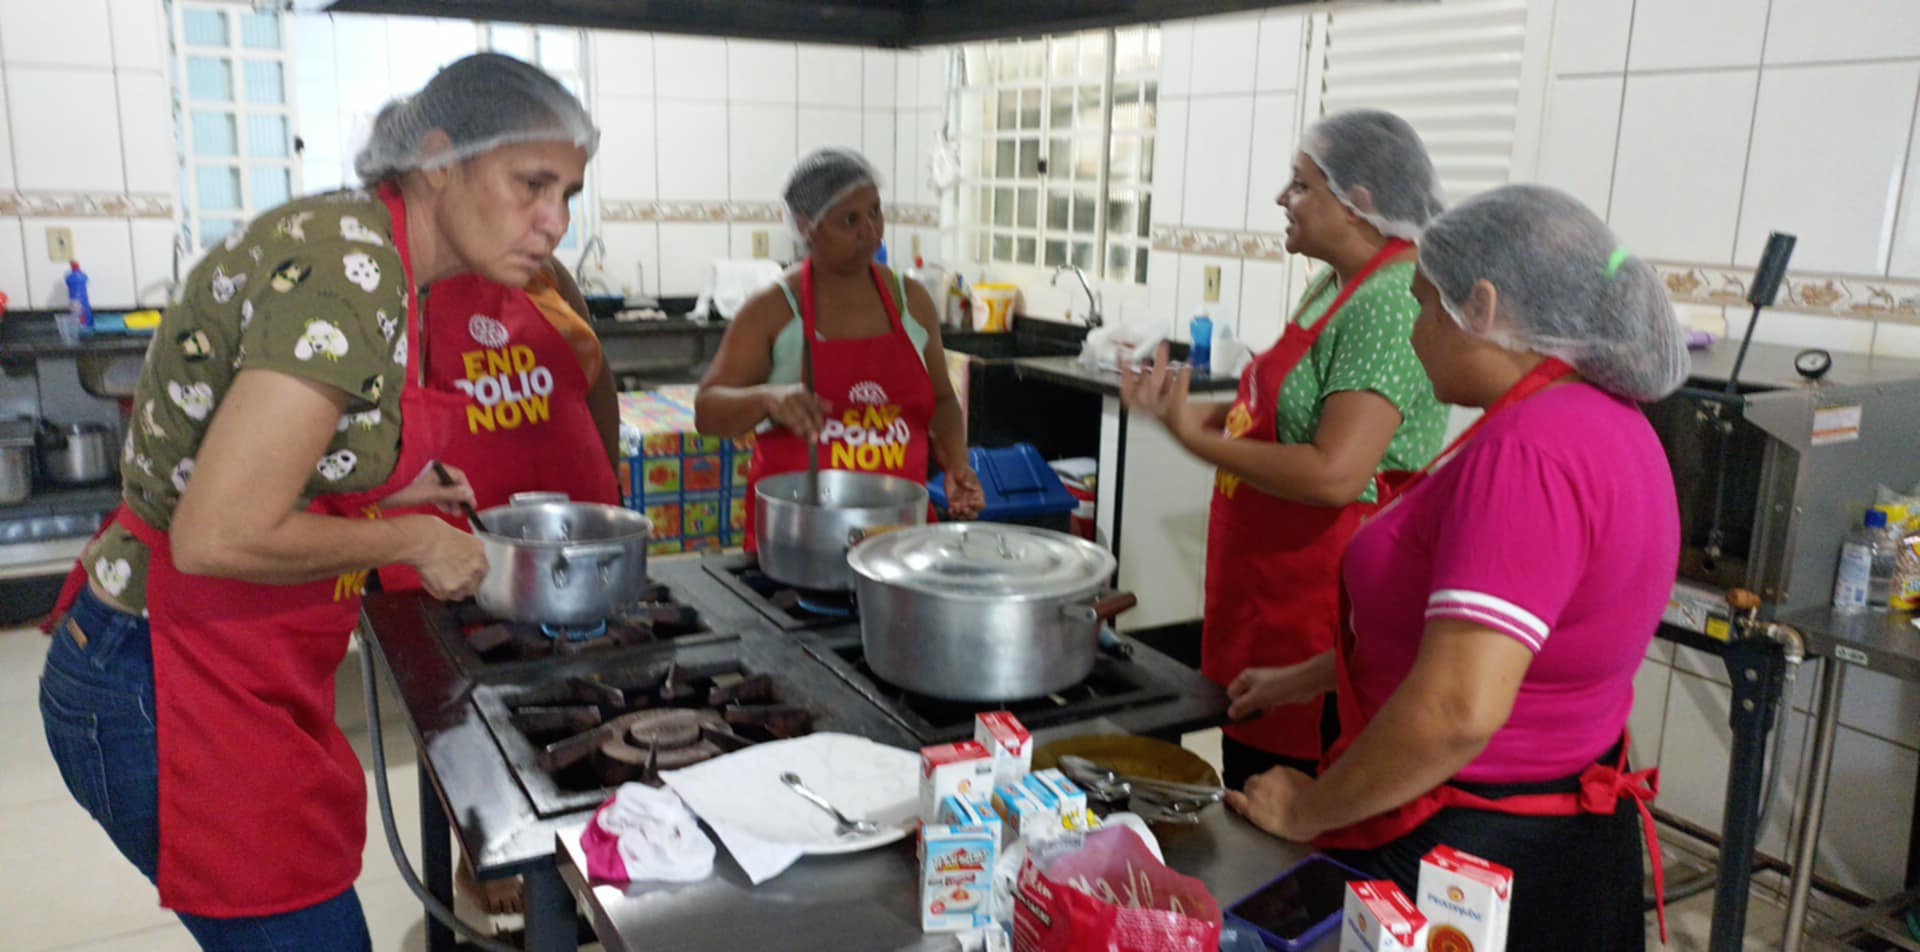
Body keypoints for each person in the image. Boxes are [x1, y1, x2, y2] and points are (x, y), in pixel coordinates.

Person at [36, 53, 595, 948]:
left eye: (569, 192)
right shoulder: (354, 270)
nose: (555, 221)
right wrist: (410, 537)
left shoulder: (387, 256)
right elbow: (214, 534)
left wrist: (395, 489)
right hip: (165, 668)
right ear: (441, 159)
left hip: (227, 662)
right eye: (533, 183)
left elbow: (284, 458)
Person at [1224, 184, 1688, 949]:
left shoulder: (1530, 455)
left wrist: (1308, 809)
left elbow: (1456, 711)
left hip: (1467, 855)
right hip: (1569, 837)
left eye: (1425, 308)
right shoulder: (1609, 423)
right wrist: (1312, 675)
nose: (1415, 335)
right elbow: (1513, 645)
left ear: (1481, 306)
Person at [1122, 110, 1448, 787]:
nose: (1282, 199)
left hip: (1324, 595)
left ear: (1357, 203)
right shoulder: (1335, 284)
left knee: (1292, 799)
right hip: (1266, 585)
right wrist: (1186, 410)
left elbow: (1335, 472)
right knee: (1252, 769)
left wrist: (1191, 439)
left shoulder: (1390, 300)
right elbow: (1279, 412)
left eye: (1300, 185)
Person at [696, 147, 984, 537]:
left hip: (899, 537)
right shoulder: (774, 311)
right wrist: (768, 399)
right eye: (850, 220)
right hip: (800, 538)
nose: (870, 230)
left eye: (875, 211)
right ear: (805, 226)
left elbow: (944, 402)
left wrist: (956, 464)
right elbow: (707, 411)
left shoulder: (911, 301)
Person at [377, 256, 623, 596]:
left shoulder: (543, 271)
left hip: (572, 534)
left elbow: (598, 384)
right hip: (448, 556)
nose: (553, 222)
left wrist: (612, 489)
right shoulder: (393, 283)